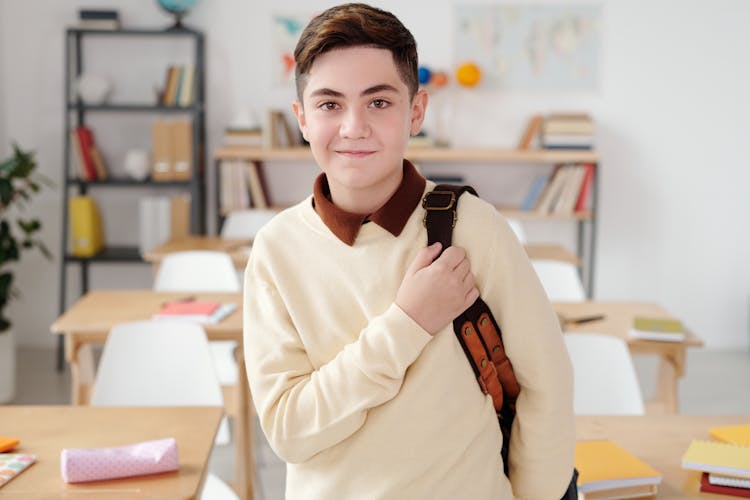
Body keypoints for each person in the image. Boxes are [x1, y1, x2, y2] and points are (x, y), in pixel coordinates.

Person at [243, 3, 575, 498]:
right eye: (330, 104)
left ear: (416, 110)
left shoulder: (476, 229)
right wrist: (408, 322)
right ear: (303, 119)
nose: (353, 126)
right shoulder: (276, 249)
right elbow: (289, 430)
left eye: (378, 102)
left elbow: (547, 387)